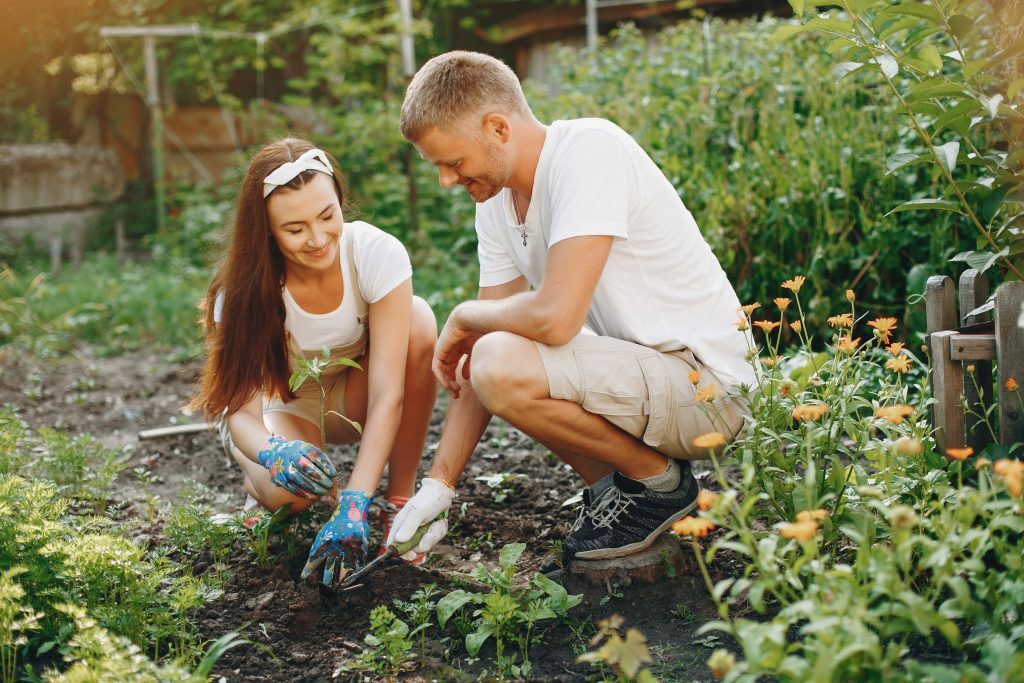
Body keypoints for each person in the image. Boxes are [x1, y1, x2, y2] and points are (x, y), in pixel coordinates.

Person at [386, 51, 755, 565]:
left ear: (497, 127)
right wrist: (440, 485)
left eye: (453, 162)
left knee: (501, 357)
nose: (447, 180)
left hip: (707, 391)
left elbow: (554, 320)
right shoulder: (495, 203)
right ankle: (619, 492)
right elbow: (483, 356)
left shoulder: (588, 151)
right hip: (646, 384)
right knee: (494, 356)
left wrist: (466, 316)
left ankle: (659, 486)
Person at [192, 137, 438, 586]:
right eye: (295, 228)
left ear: (340, 200)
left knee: (418, 322)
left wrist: (356, 502)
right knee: (290, 494)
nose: (319, 238)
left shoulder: (374, 254)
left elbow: (387, 395)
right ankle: (260, 489)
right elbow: (242, 415)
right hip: (278, 410)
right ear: (265, 228)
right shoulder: (243, 293)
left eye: (328, 215)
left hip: (352, 395)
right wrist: (272, 451)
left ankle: (400, 506)